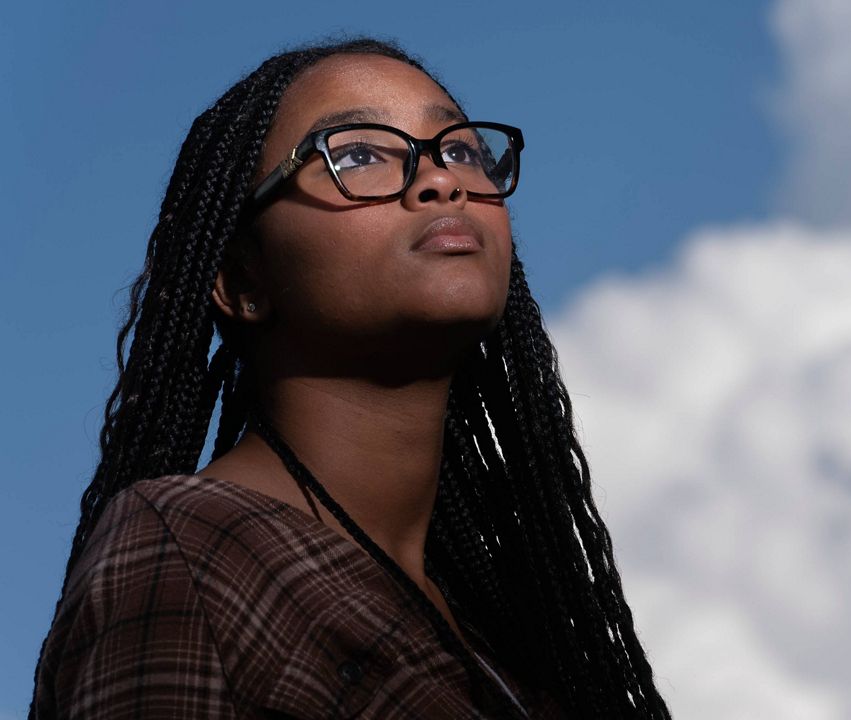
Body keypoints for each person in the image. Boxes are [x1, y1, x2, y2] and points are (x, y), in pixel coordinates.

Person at [30, 37, 671, 719]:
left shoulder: (504, 644)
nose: (442, 179)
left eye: (461, 151)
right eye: (358, 154)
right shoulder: (189, 553)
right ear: (242, 280)